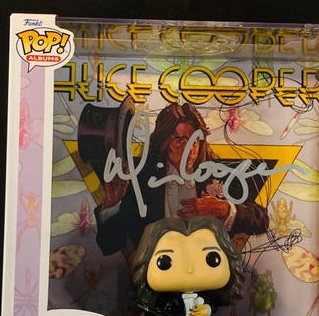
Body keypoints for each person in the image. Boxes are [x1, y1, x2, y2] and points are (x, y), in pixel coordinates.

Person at [94, 102, 270, 257]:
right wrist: (112, 205)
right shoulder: (142, 180)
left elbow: (261, 220)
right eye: (180, 139)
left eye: (195, 140)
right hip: (158, 278)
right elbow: (108, 245)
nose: (189, 149)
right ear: (164, 142)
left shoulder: (217, 172)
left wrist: (224, 209)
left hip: (209, 277)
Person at [130, 216, 244, 316]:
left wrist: (207, 309)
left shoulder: (207, 297)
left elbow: (214, 304)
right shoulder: (171, 298)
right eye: (165, 261)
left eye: (212, 259)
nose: (190, 269)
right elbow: (162, 309)